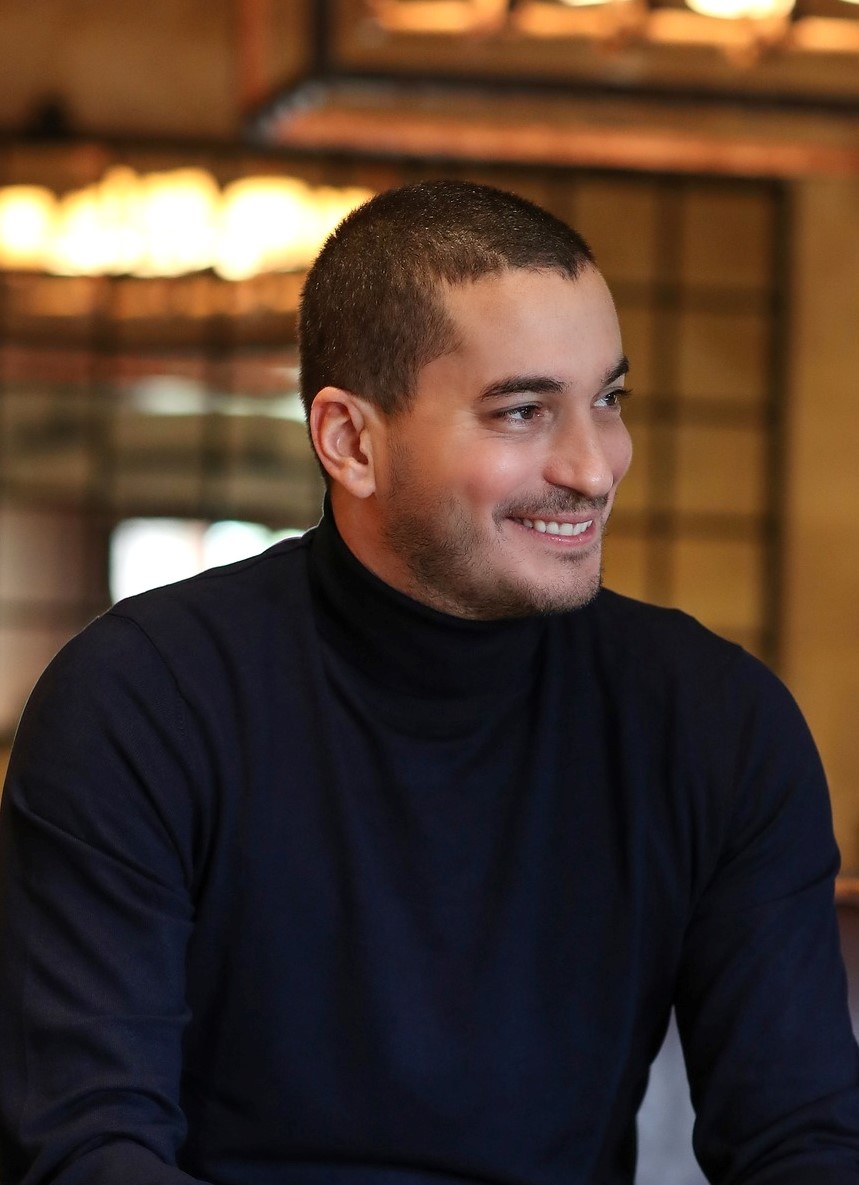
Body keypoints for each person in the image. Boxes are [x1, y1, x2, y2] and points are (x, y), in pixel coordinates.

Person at [0, 179, 858, 1185]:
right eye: (523, 412)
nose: (594, 467)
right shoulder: (141, 700)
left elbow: (802, 1141)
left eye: (607, 401)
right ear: (350, 442)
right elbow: (86, 1147)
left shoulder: (712, 721)